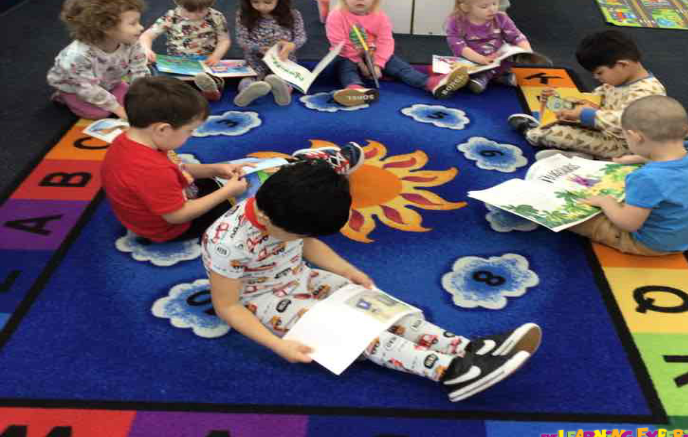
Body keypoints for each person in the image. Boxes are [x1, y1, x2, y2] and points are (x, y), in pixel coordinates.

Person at [202, 154, 542, 403]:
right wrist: (277, 345)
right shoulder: (227, 242)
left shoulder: (285, 210)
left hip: (300, 276)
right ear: (264, 217)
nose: (301, 238)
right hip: (262, 301)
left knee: (380, 308)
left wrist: (346, 271)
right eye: (297, 233)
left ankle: (466, 347)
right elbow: (228, 306)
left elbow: (307, 243)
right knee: (357, 331)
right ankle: (450, 371)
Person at [102, 76, 248, 243]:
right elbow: (178, 216)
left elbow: (176, 167)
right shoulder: (153, 171)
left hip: (154, 205)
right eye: (189, 130)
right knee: (238, 210)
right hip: (169, 229)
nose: (191, 135)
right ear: (163, 130)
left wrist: (214, 169)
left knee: (212, 182)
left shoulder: (130, 139)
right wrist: (227, 192)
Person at [573, 96, 688, 256]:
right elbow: (673, 166)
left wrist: (606, 202)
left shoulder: (647, 178)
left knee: (584, 218)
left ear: (635, 137)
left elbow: (628, 224)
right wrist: (641, 158)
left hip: (652, 244)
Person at [509, 29, 665, 160]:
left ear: (622, 65)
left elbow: (627, 122)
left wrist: (584, 114)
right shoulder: (616, 82)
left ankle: (530, 132)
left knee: (556, 133)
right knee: (560, 122)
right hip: (603, 131)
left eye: (600, 72)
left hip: (625, 146)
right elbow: (592, 100)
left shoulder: (649, 92)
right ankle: (580, 154)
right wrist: (561, 102)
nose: (596, 78)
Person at [327, 0, 469, 107]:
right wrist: (362, 65)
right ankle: (355, 89)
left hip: (372, 54)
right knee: (346, 68)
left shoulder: (380, 17)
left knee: (399, 66)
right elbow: (339, 44)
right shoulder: (336, 15)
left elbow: (385, 41)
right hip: (348, 56)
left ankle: (431, 83)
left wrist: (377, 64)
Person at [47, 0, 149, 120]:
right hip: (76, 86)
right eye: (133, 23)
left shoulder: (130, 41)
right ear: (107, 28)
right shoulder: (77, 56)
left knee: (132, 100)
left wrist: (140, 92)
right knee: (100, 113)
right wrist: (117, 109)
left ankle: (108, 94)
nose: (141, 27)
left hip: (109, 81)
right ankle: (63, 96)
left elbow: (139, 67)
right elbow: (87, 88)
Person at [139, 0, 231, 102]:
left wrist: (216, 56)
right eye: (190, 11)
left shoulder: (216, 16)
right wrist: (147, 50)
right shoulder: (171, 17)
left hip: (205, 62)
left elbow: (224, 40)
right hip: (178, 63)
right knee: (160, 77)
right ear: (177, 1)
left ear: (213, 1)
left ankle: (209, 89)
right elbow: (146, 36)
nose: (196, 15)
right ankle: (185, 91)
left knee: (217, 78)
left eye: (202, 10)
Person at [445, 0, 547, 94]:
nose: (492, 9)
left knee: (510, 59)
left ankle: (487, 77)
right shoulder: (456, 21)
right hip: (472, 58)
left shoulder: (501, 18)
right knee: (462, 68)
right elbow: (458, 46)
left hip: (496, 57)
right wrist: (481, 59)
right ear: (465, 7)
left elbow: (516, 36)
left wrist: (527, 51)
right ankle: (492, 77)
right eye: (484, 6)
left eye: (494, 3)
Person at [233, 0, 305, 107]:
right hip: (255, 60)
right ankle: (248, 91)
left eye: (267, 2)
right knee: (249, 78)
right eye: (255, 2)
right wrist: (258, 48)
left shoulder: (293, 15)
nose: (261, 6)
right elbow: (241, 40)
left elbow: (301, 37)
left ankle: (282, 90)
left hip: (282, 60)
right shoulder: (243, 15)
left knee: (284, 78)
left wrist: (291, 45)